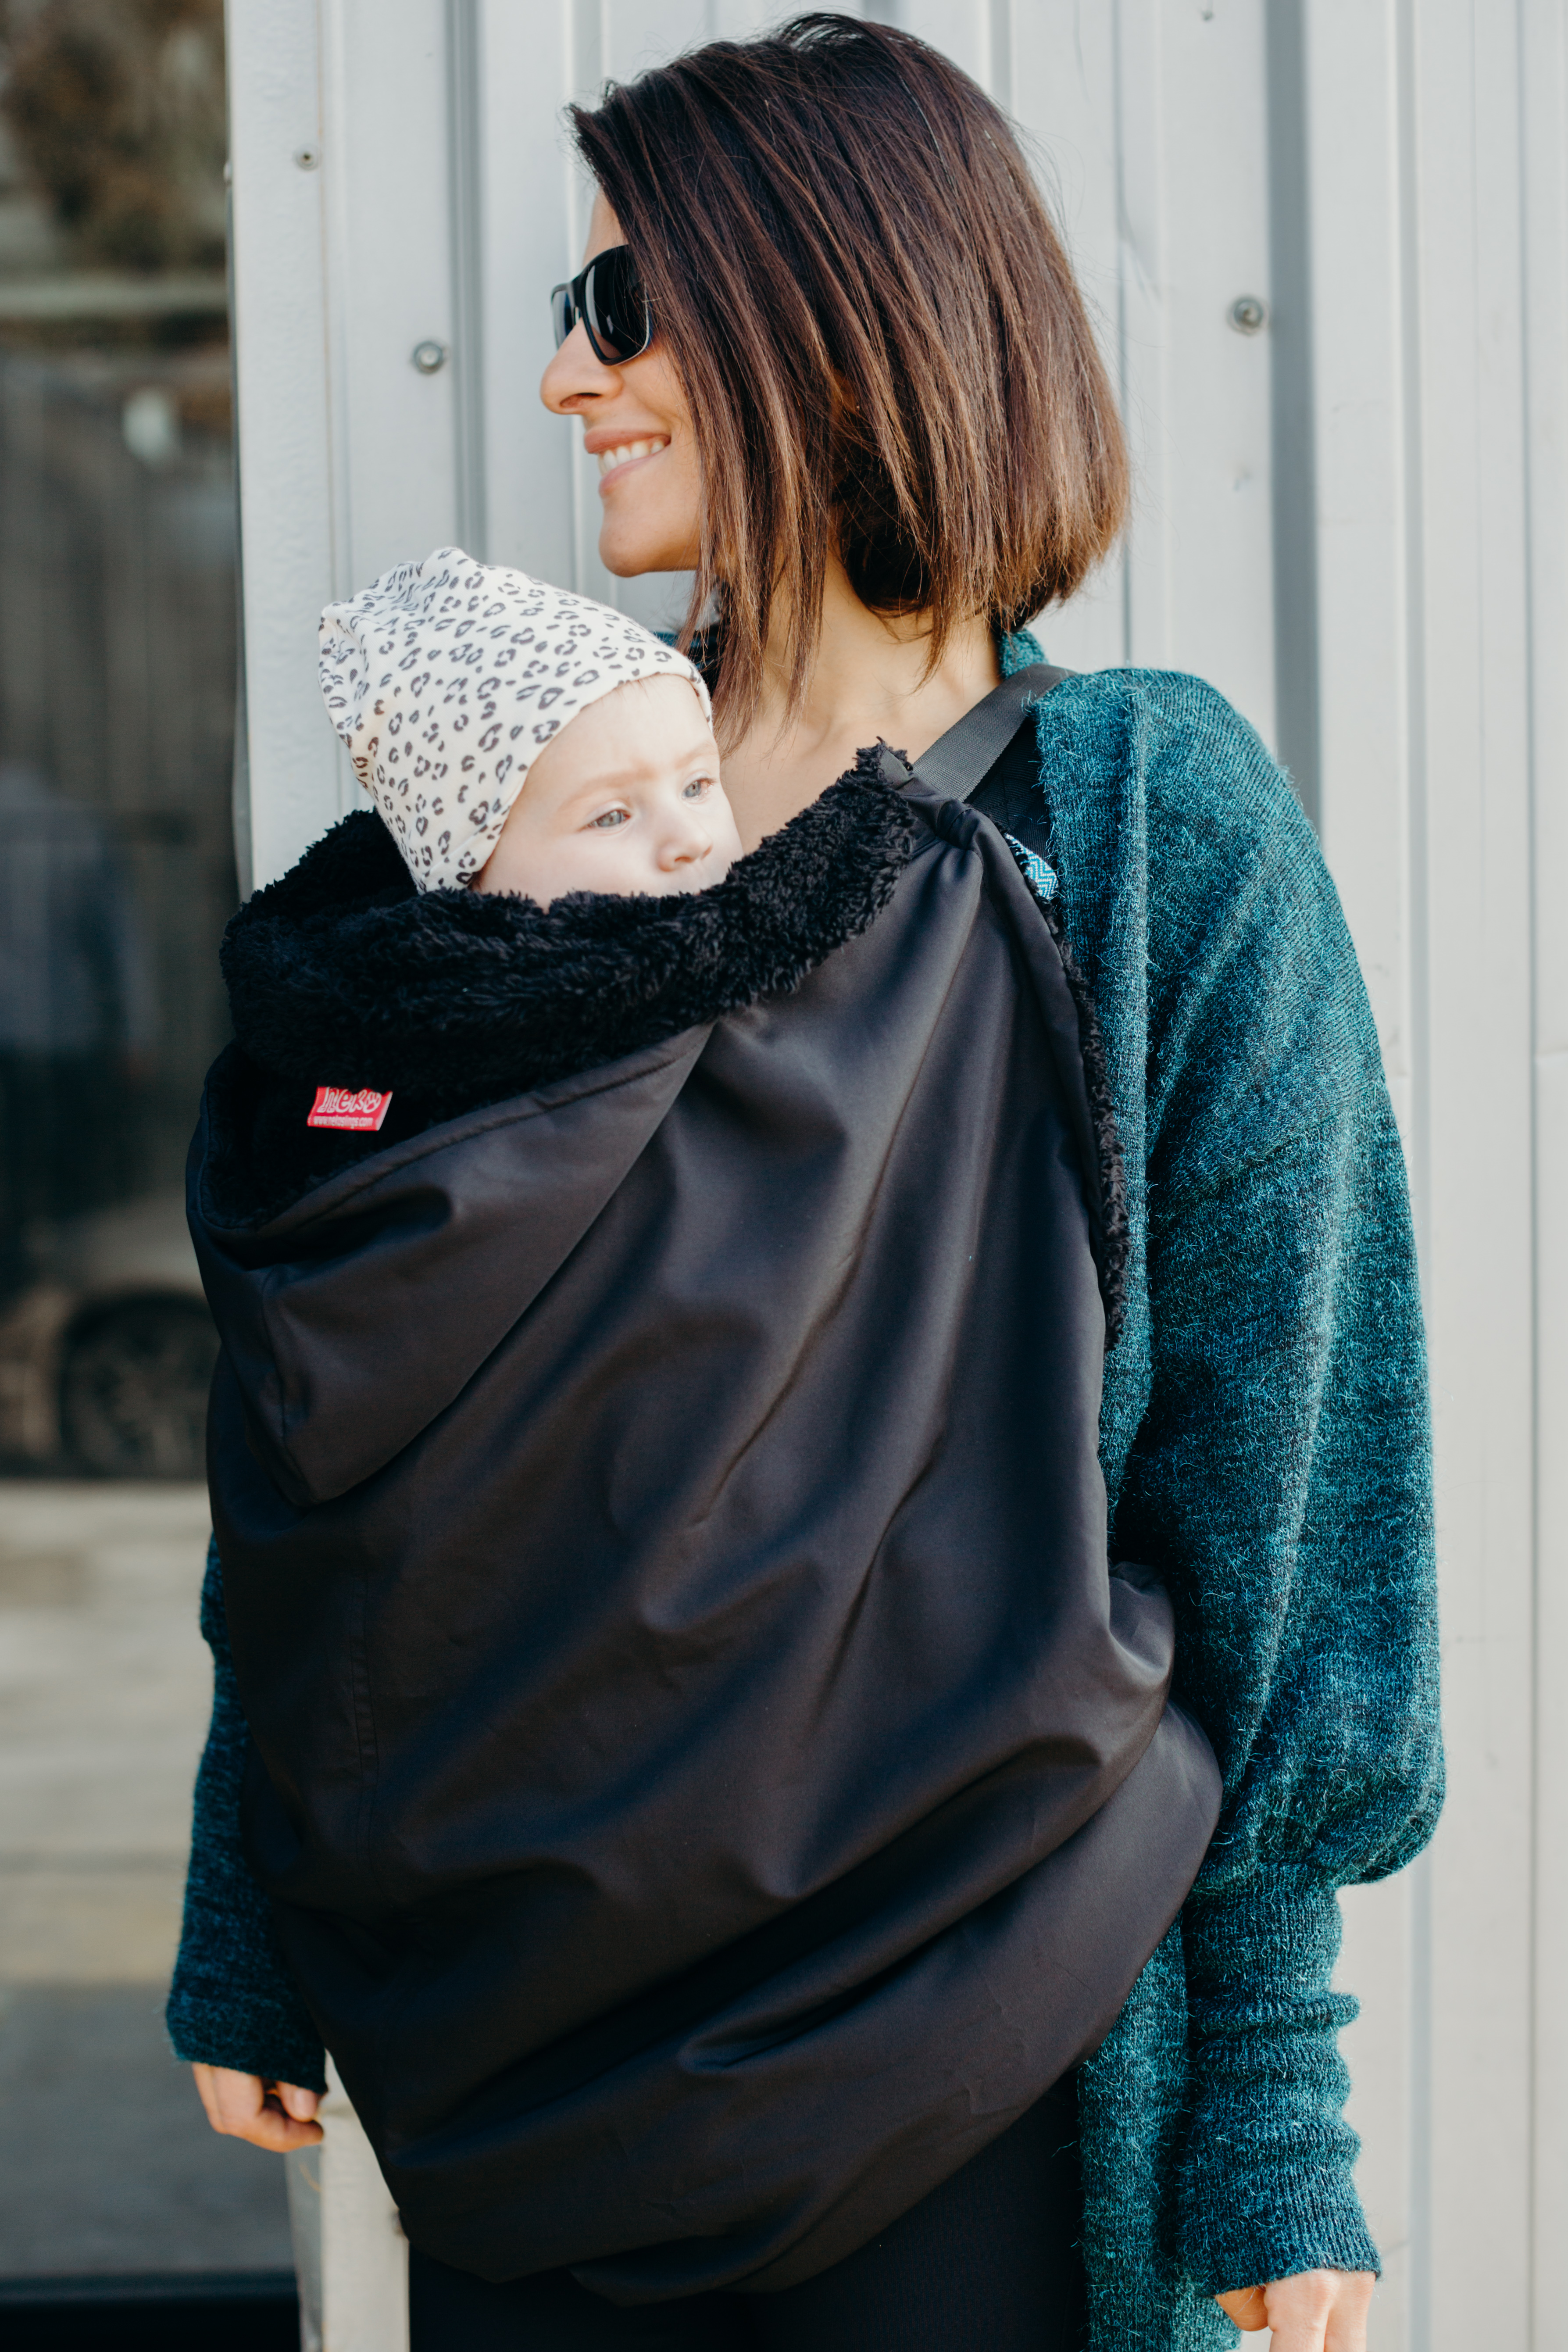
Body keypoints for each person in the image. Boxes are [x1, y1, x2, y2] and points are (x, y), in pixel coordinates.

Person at [168, 19, 1440, 2352]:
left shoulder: (1147, 831)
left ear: (832, 309)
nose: (566, 377)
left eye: (620, 303)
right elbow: (350, 1430)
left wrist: (1271, 2103)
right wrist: (254, 1888)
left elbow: (1279, 1518)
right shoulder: (520, 850)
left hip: (971, 2092)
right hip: (517, 2071)